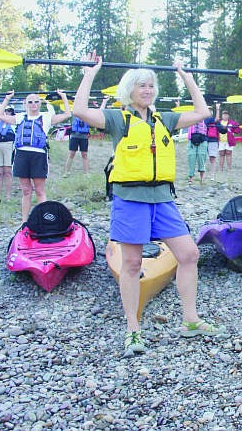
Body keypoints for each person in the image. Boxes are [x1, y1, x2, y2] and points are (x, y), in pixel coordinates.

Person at [72, 52, 223, 357]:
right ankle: (132, 329)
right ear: (130, 89)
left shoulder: (163, 119)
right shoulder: (117, 118)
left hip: (163, 199)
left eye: (151, 85)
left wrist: (187, 76)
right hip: (130, 200)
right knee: (131, 264)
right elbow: (79, 110)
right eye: (142, 85)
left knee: (189, 254)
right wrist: (89, 74)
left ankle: (190, 320)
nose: (148, 90)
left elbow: (203, 111)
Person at [0, 90, 72, 223]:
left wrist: (64, 97)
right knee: (26, 191)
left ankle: (46, 220)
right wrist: (7, 99)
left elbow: (67, 114)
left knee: (39, 191)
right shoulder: (20, 117)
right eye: (30, 102)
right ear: (25, 104)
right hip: (21, 156)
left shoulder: (46, 117)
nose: (33, 104)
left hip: (38, 156)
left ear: (40, 103)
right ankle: (24, 222)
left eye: (36, 102)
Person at [64, 96, 109, 177]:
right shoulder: (74, 111)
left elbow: (100, 112)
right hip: (74, 136)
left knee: (84, 154)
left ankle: (86, 173)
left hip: (84, 137)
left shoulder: (88, 113)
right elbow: (68, 106)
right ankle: (66, 172)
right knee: (71, 154)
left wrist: (104, 101)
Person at [0, 106, 16, 203]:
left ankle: (8, 196)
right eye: (6, 111)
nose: (7, 113)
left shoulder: (13, 124)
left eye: (9, 111)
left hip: (9, 145)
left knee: (8, 172)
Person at [186, 109, 210, 185]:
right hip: (191, 140)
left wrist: (218, 108)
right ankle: (190, 178)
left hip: (202, 140)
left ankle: (202, 178)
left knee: (201, 157)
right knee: (191, 158)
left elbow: (215, 120)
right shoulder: (190, 119)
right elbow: (180, 117)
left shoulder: (206, 119)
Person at [217, 108, 242, 176]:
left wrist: (238, 127)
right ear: (222, 115)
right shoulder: (218, 122)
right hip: (220, 141)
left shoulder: (232, 122)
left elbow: (238, 130)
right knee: (221, 154)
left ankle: (228, 168)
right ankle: (221, 168)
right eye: (224, 115)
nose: (225, 116)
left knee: (228, 154)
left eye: (226, 115)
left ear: (228, 116)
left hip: (229, 141)